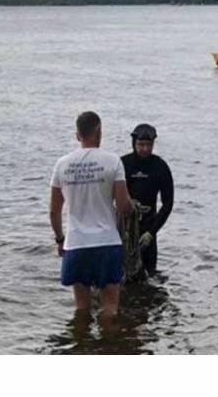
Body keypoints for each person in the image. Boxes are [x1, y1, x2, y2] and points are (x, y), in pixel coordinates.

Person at [49, 111, 133, 318]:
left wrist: (60, 238)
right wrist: (131, 205)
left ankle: (81, 345)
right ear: (99, 132)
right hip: (107, 242)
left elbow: (54, 210)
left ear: (78, 135)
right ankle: (107, 345)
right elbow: (124, 207)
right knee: (110, 307)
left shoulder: (62, 164)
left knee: (81, 308)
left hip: (76, 243)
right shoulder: (113, 162)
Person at [121, 123, 174, 275]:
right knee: (122, 276)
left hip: (148, 230)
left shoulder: (160, 167)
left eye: (148, 145)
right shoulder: (123, 164)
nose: (145, 149)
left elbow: (168, 204)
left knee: (150, 276)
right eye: (141, 144)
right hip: (124, 228)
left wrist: (152, 232)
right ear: (134, 143)